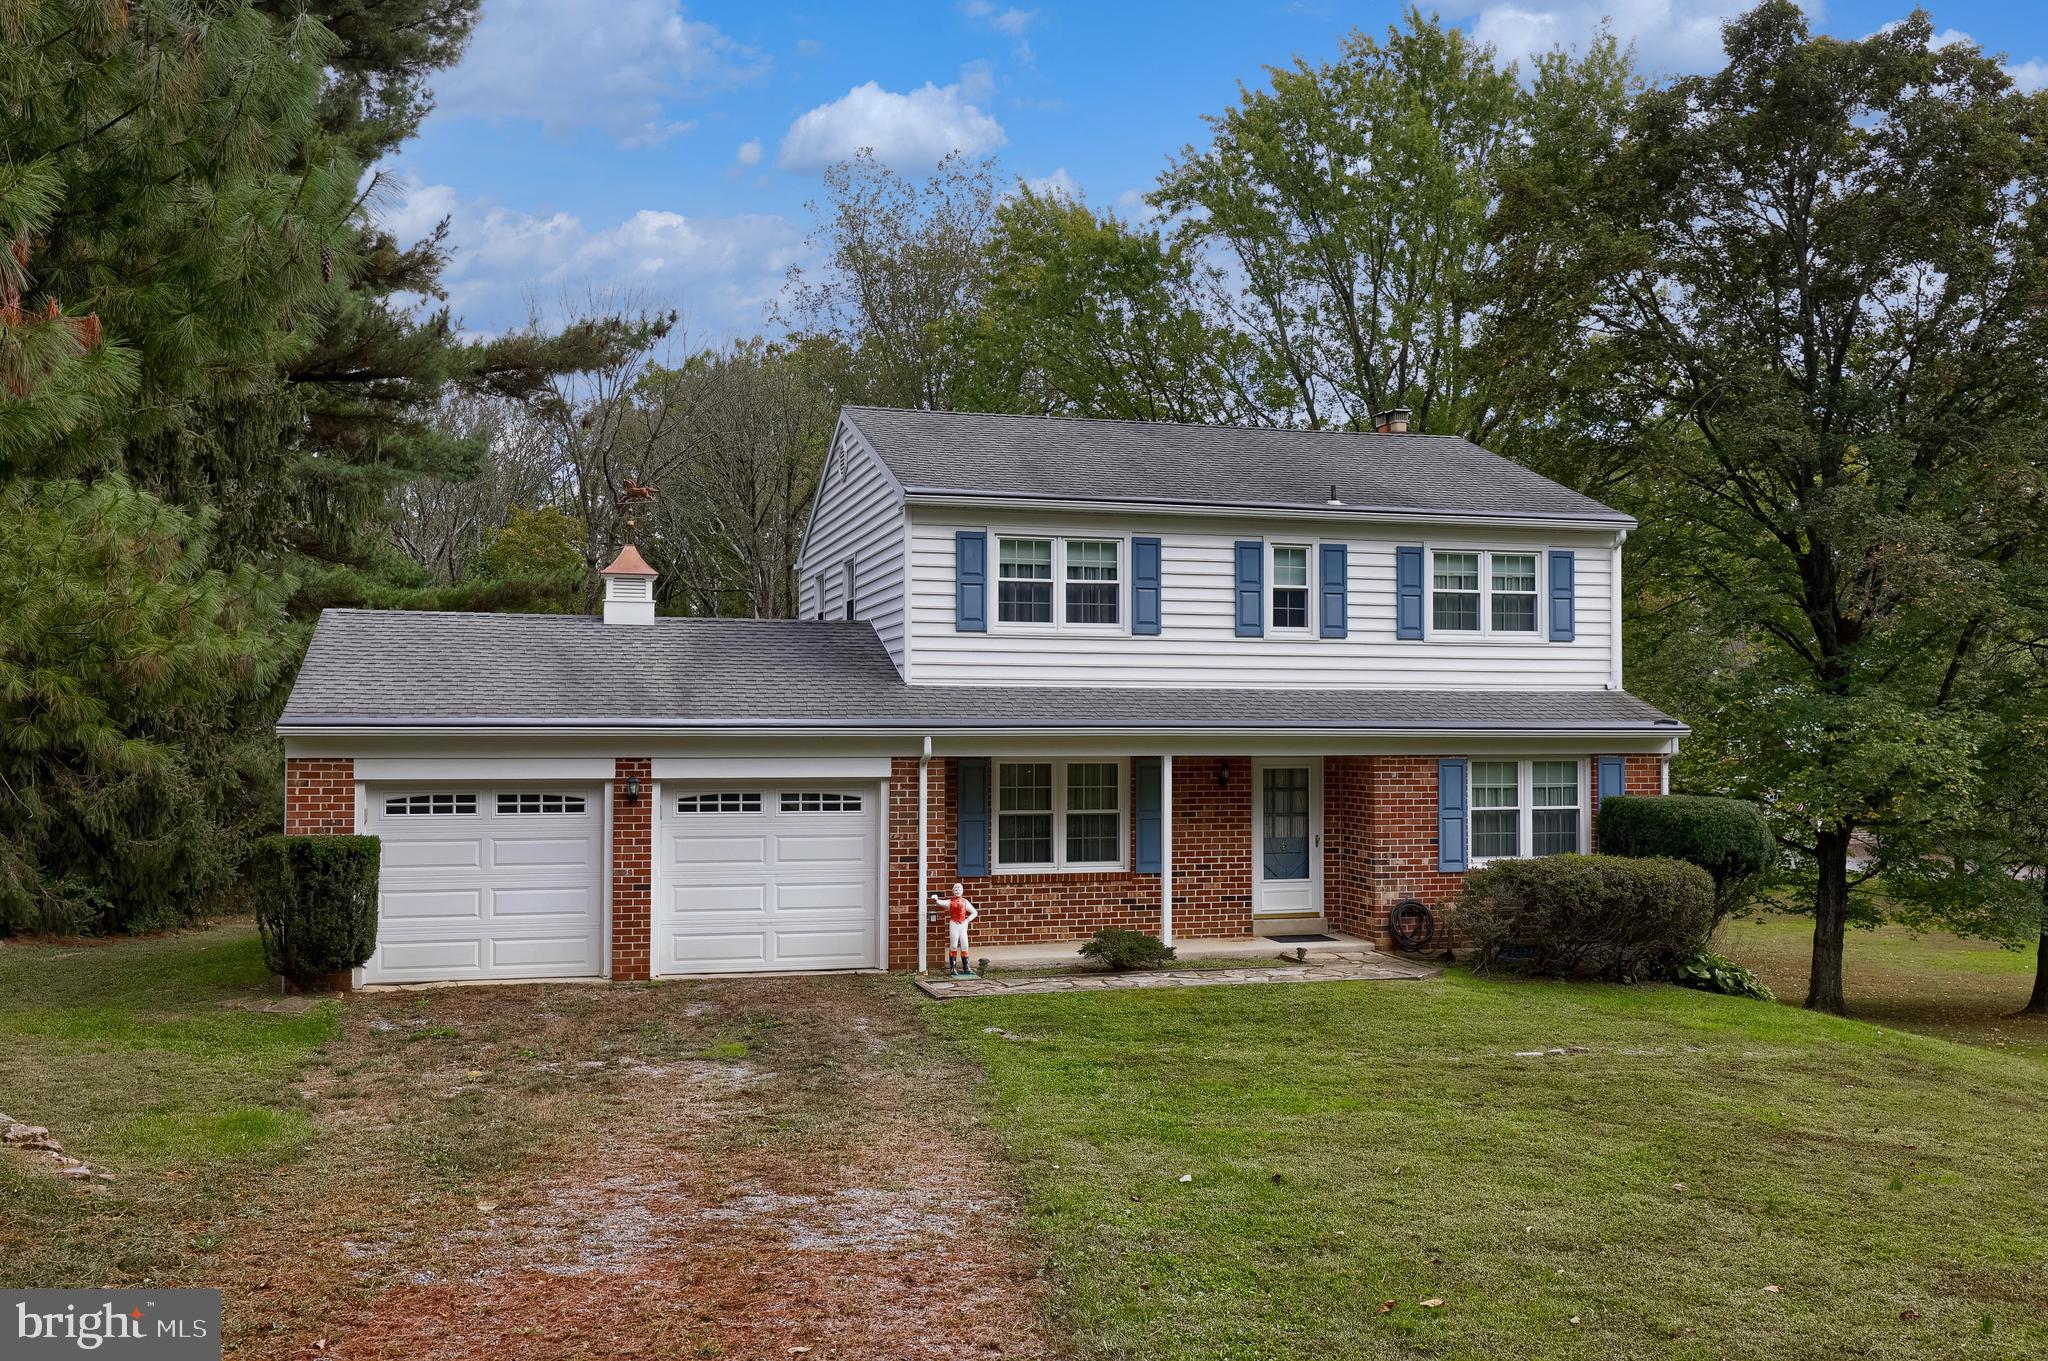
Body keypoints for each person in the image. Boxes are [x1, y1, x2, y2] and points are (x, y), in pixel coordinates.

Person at [931, 882, 978, 977]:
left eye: (959, 890)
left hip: (963, 925)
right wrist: (935, 900)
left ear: (962, 891)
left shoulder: (965, 902)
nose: (957, 891)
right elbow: (942, 902)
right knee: (953, 946)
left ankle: (966, 968)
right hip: (954, 924)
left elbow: (974, 912)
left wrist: (967, 920)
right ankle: (953, 968)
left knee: (965, 945)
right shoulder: (950, 902)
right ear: (953, 891)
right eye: (956, 890)